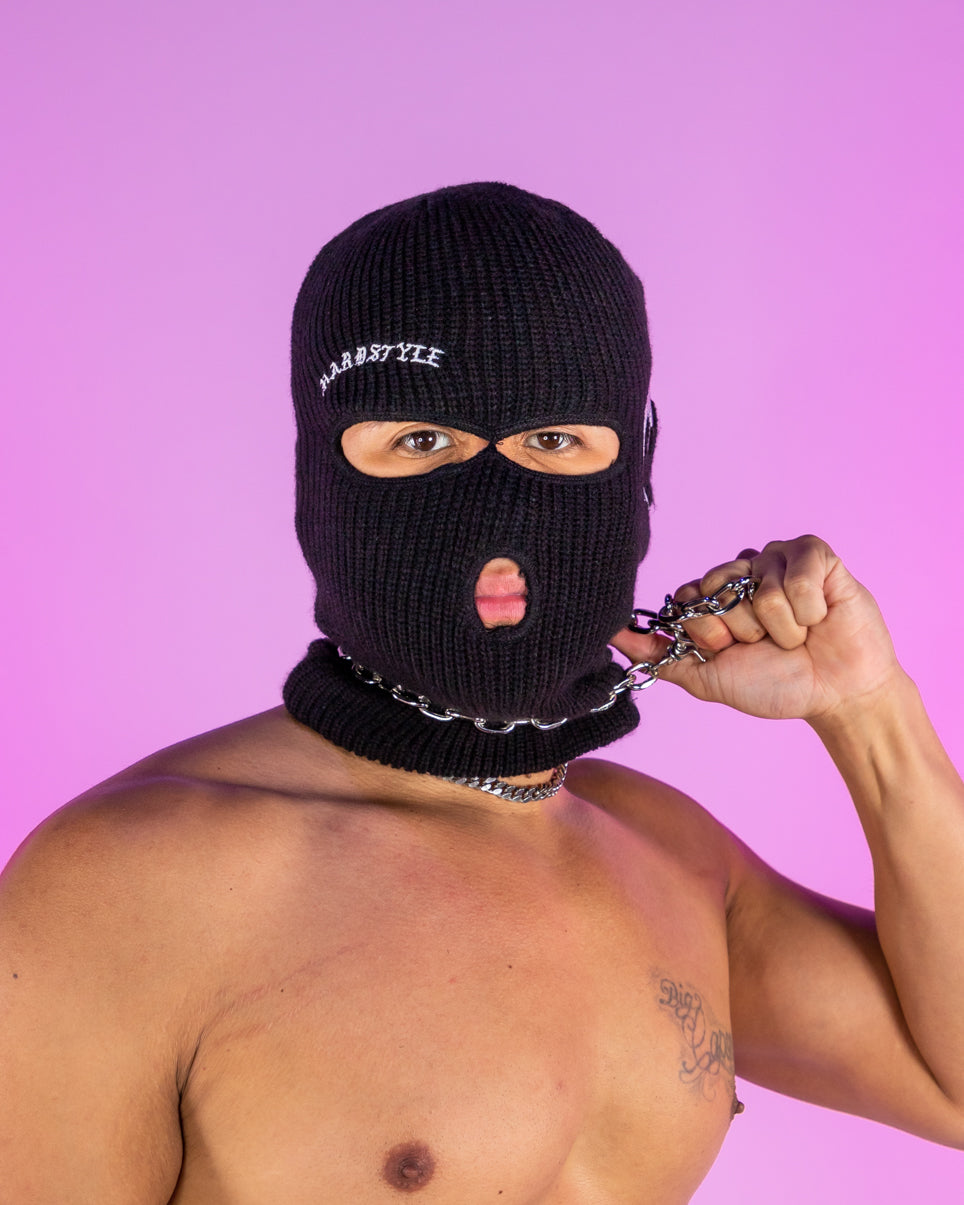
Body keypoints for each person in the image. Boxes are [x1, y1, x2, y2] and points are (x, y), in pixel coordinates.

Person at [2, 182, 962, 1204]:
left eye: (555, 440)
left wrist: (867, 707)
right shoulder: (131, 887)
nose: (498, 512)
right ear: (319, 477)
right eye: (421, 440)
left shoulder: (671, 858)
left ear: (634, 471)